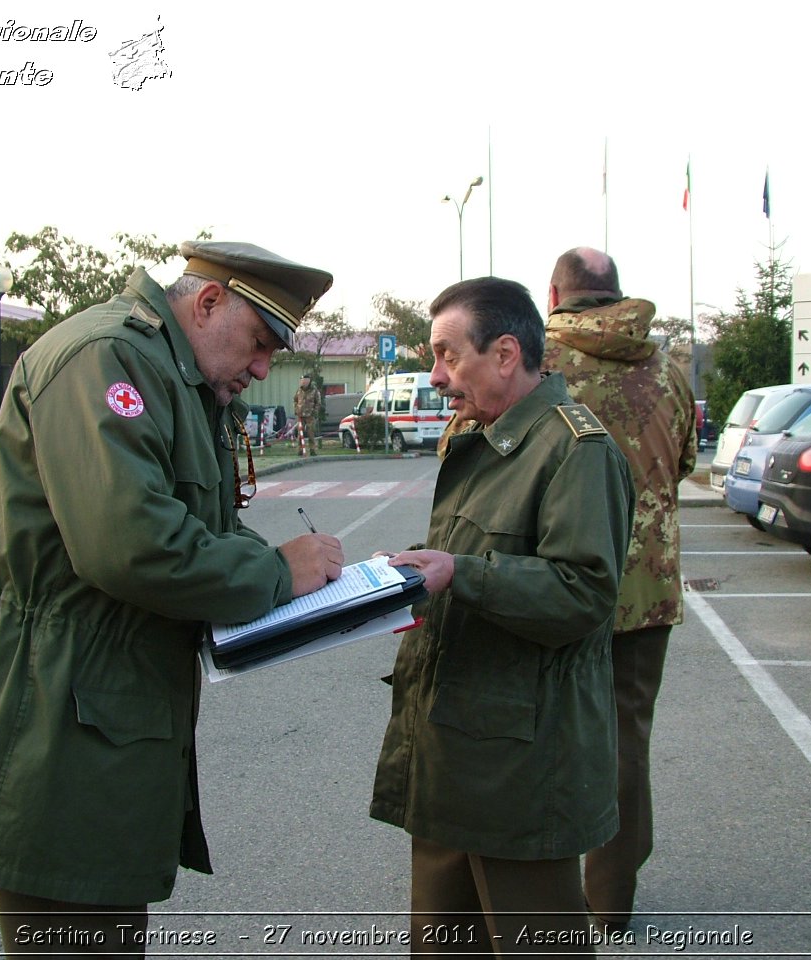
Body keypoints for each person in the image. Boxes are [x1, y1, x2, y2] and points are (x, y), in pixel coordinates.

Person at [0, 240, 345, 957]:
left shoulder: (175, 375)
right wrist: (274, 574)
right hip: (52, 723)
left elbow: (196, 528)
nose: (263, 369)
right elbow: (132, 544)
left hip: (96, 720)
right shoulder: (106, 358)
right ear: (206, 304)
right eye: (260, 343)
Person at [370, 277, 635, 954]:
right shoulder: (486, 440)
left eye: (448, 355)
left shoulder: (575, 450)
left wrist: (462, 572)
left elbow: (583, 594)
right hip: (453, 752)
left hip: (519, 768)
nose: (436, 376)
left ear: (507, 353)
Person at [543, 247, 697, 932]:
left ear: (556, 293)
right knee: (625, 742)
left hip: (556, 576)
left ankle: (533, 887)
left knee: (540, 729)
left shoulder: (535, 362)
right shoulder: (668, 367)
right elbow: (686, 459)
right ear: (617, 294)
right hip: (644, 587)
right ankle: (609, 901)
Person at [292, 371, 321, 455]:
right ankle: (300, 450)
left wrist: (314, 412)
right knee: (300, 433)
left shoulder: (314, 390)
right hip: (300, 415)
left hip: (310, 415)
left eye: (305, 380)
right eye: (302, 380)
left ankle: (312, 450)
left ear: (309, 381)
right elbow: (295, 400)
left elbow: (318, 402)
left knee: (310, 432)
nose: (303, 382)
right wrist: (296, 409)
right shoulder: (299, 390)